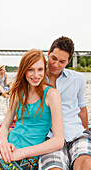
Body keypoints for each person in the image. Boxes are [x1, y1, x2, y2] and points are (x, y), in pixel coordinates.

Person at [0, 49, 64, 169]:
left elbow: (58, 140)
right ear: (24, 71)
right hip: (9, 145)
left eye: (40, 69)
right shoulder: (19, 92)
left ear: (45, 70)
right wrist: (3, 143)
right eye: (30, 70)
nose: (36, 75)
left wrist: (21, 153)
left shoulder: (51, 94)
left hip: (29, 154)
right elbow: (5, 125)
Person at [39, 36, 91, 170]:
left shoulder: (78, 79)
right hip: (49, 136)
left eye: (62, 62)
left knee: (87, 164)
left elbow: (82, 109)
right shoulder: (36, 77)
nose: (56, 65)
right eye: (53, 58)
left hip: (75, 133)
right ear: (48, 54)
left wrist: (85, 132)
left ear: (68, 61)